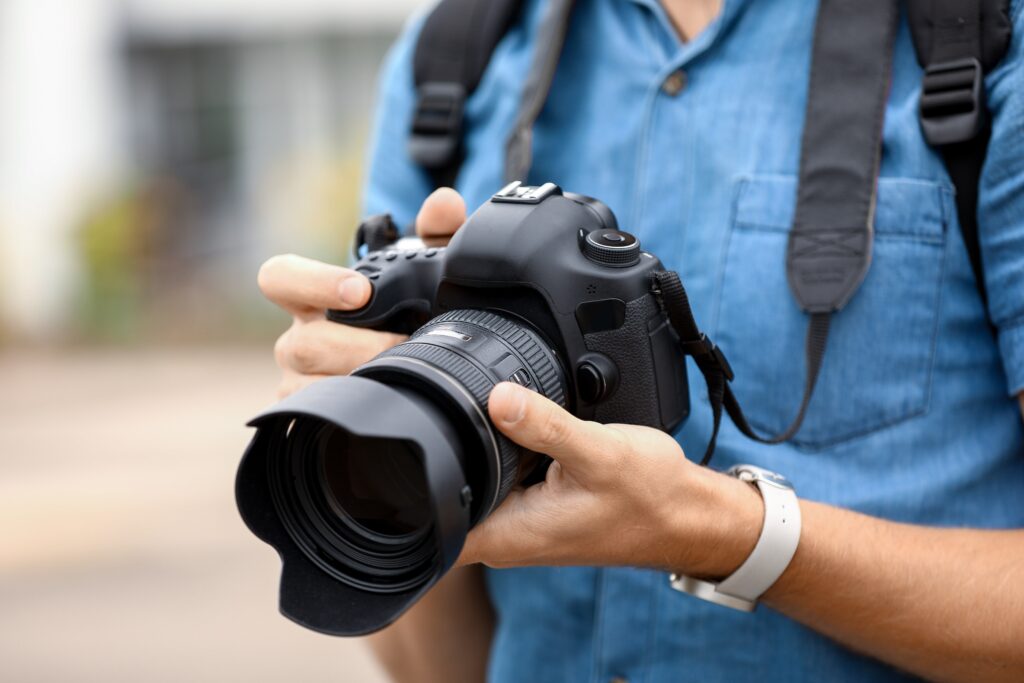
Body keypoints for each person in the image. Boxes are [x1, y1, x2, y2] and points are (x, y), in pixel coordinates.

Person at [256, 0, 1024, 681]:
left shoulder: (984, 37)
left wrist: (725, 532)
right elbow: (441, 668)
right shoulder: (454, 55)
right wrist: (388, 448)